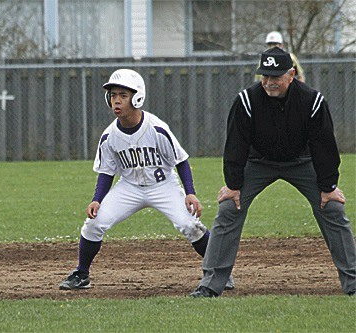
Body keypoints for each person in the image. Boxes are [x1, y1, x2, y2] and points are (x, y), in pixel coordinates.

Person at [190, 47, 356, 297]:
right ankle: (211, 284)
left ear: (291, 74)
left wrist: (328, 187)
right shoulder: (246, 100)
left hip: (302, 161)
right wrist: (233, 185)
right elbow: (236, 144)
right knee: (228, 208)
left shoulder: (312, 100)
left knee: (332, 208)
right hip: (258, 162)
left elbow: (324, 145)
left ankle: (353, 282)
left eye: (275, 76)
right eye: (265, 76)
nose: (269, 82)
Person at [59, 69, 234, 291]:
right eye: (113, 95)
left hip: (163, 186)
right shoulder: (109, 136)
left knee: (190, 225)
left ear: (137, 97)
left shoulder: (156, 128)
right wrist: (96, 199)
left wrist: (190, 192)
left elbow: (181, 160)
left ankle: (220, 273)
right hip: (129, 188)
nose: (116, 100)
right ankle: (81, 274)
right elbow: (106, 172)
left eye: (123, 95)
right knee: (93, 224)